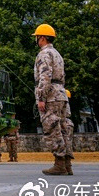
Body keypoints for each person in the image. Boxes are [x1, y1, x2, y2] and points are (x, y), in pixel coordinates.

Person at [32, 23, 70, 176]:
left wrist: (41, 97)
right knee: (63, 129)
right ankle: (67, 164)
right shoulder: (57, 54)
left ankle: (59, 164)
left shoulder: (44, 54)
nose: (36, 40)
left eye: (37, 37)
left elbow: (45, 76)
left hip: (50, 96)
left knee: (52, 129)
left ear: (42, 38)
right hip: (60, 93)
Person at [63, 89, 75, 175]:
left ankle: (63, 166)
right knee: (68, 144)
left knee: (61, 145)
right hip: (68, 123)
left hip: (63, 123)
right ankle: (68, 166)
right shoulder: (67, 104)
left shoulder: (60, 103)